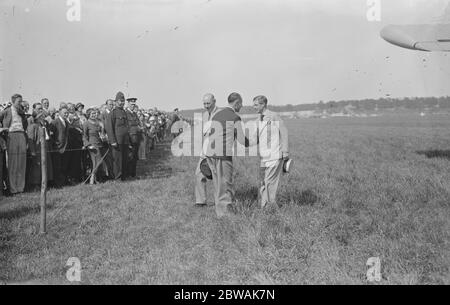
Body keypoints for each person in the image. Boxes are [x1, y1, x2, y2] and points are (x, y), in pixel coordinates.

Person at [204, 92, 249, 218]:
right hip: (222, 155)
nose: (242, 106)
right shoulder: (235, 117)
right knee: (226, 185)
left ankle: (219, 213)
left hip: (210, 154)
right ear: (237, 103)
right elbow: (241, 139)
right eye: (241, 104)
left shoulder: (217, 114)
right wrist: (254, 141)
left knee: (218, 185)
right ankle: (226, 216)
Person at [252, 95, 290, 208]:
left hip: (275, 154)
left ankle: (270, 207)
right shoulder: (258, 119)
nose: (253, 107)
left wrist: (285, 151)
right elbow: (256, 138)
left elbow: (284, 132)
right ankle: (265, 206)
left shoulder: (274, 116)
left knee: (270, 182)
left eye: (256, 104)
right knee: (263, 182)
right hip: (264, 156)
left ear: (263, 104)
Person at [194, 93, 220, 207]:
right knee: (199, 174)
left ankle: (218, 201)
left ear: (214, 101)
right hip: (204, 150)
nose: (206, 106)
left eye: (208, 103)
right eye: (204, 103)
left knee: (216, 176)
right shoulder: (204, 115)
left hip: (216, 150)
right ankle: (200, 201)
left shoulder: (220, 114)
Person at [0, 94, 28, 195]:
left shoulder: (21, 112)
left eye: (21, 101)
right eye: (18, 102)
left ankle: (21, 188)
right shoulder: (7, 111)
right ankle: (13, 188)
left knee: (21, 162)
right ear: (13, 102)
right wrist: (2, 129)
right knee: (13, 163)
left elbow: (25, 124)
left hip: (21, 135)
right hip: (11, 136)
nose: (20, 103)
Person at [106, 91, 130, 181]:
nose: (122, 102)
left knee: (124, 159)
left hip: (125, 140)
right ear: (116, 102)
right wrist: (113, 141)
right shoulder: (113, 113)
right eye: (120, 101)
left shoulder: (124, 112)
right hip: (117, 141)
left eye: (123, 101)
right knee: (117, 160)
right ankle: (118, 177)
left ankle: (124, 176)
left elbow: (127, 126)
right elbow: (109, 128)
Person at [26, 111, 54, 188]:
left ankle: (45, 182)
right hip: (38, 148)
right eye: (41, 117)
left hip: (46, 147)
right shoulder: (33, 126)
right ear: (37, 118)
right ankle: (36, 184)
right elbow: (31, 140)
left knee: (46, 166)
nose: (43, 118)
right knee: (37, 167)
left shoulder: (44, 126)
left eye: (43, 116)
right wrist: (32, 151)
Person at [83, 108, 107, 184]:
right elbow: (84, 136)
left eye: (95, 113)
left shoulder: (98, 123)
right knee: (96, 162)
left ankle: (95, 179)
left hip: (99, 144)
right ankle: (91, 180)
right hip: (92, 145)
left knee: (99, 162)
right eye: (92, 113)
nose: (94, 115)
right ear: (88, 115)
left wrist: (102, 128)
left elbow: (102, 134)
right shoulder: (86, 123)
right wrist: (88, 145)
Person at [51, 107, 70, 188]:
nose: (66, 114)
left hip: (66, 147)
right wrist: (56, 144)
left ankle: (64, 181)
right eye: (64, 113)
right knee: (57, 166)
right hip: (57, 148)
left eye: (67, 113)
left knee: (64, 165)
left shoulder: (66, 122)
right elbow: (51, 135)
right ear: (59, 113)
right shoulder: (54, 122)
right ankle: (57, 183)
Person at [126, 98, 141, 178]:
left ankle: (133, 173)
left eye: (134, 104)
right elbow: (126, 127)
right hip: (130, 137)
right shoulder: (126, 113)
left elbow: (138, 123)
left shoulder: (134, 114)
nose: (133, 106)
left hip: (136, 137)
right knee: (130, 156)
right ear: (128, 104)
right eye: (131, 104)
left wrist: (139, 127)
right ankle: (128, 173)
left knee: (135, 156)